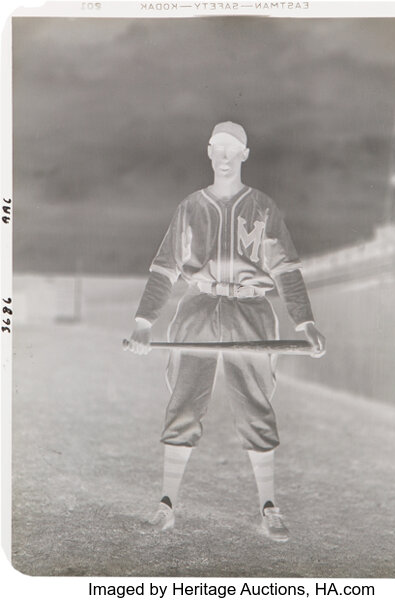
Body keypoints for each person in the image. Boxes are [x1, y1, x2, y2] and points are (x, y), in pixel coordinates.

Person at [126, 121, 326, 542]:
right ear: (209, 151)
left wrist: (306, 324)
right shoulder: (189, 207)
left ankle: (269, 507)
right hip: (199, 304)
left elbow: (286, 270)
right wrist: (144, 323)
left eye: (232, 148)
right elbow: (165, 269)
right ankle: (165, 505)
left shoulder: (264, 207)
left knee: (255, 407)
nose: (224, 155)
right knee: (184, 404)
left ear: (245, 155)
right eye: (218, 147)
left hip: (250, 309)